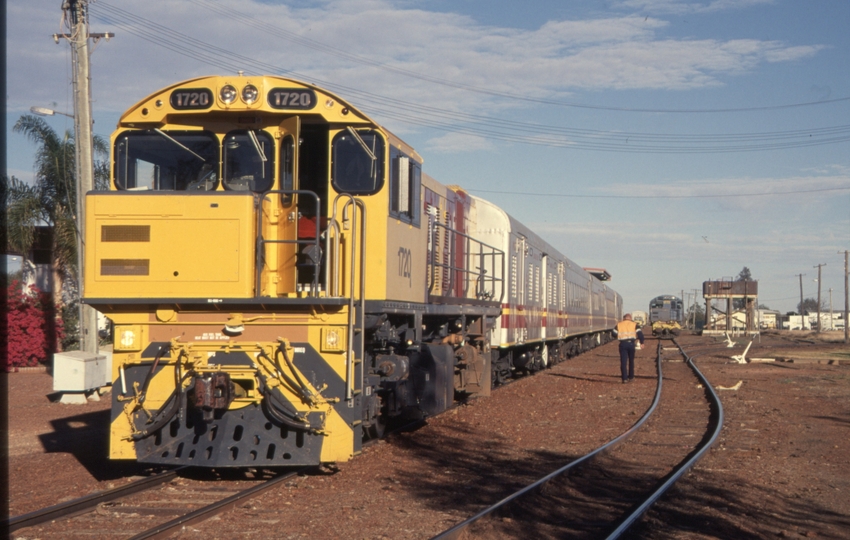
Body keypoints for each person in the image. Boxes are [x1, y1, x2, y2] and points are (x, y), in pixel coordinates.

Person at [612, 313, 645, 383]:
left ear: (624, 318)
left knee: (623, 361)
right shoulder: (634, 324)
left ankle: (624, 378)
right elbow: (640, 334)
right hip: (631, 344)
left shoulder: (619, 325)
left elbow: (613, 334)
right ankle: (631, 376)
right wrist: (642, 343)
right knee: (631, 361)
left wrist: (618, 337)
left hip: (623, 344)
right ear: (630, 318)